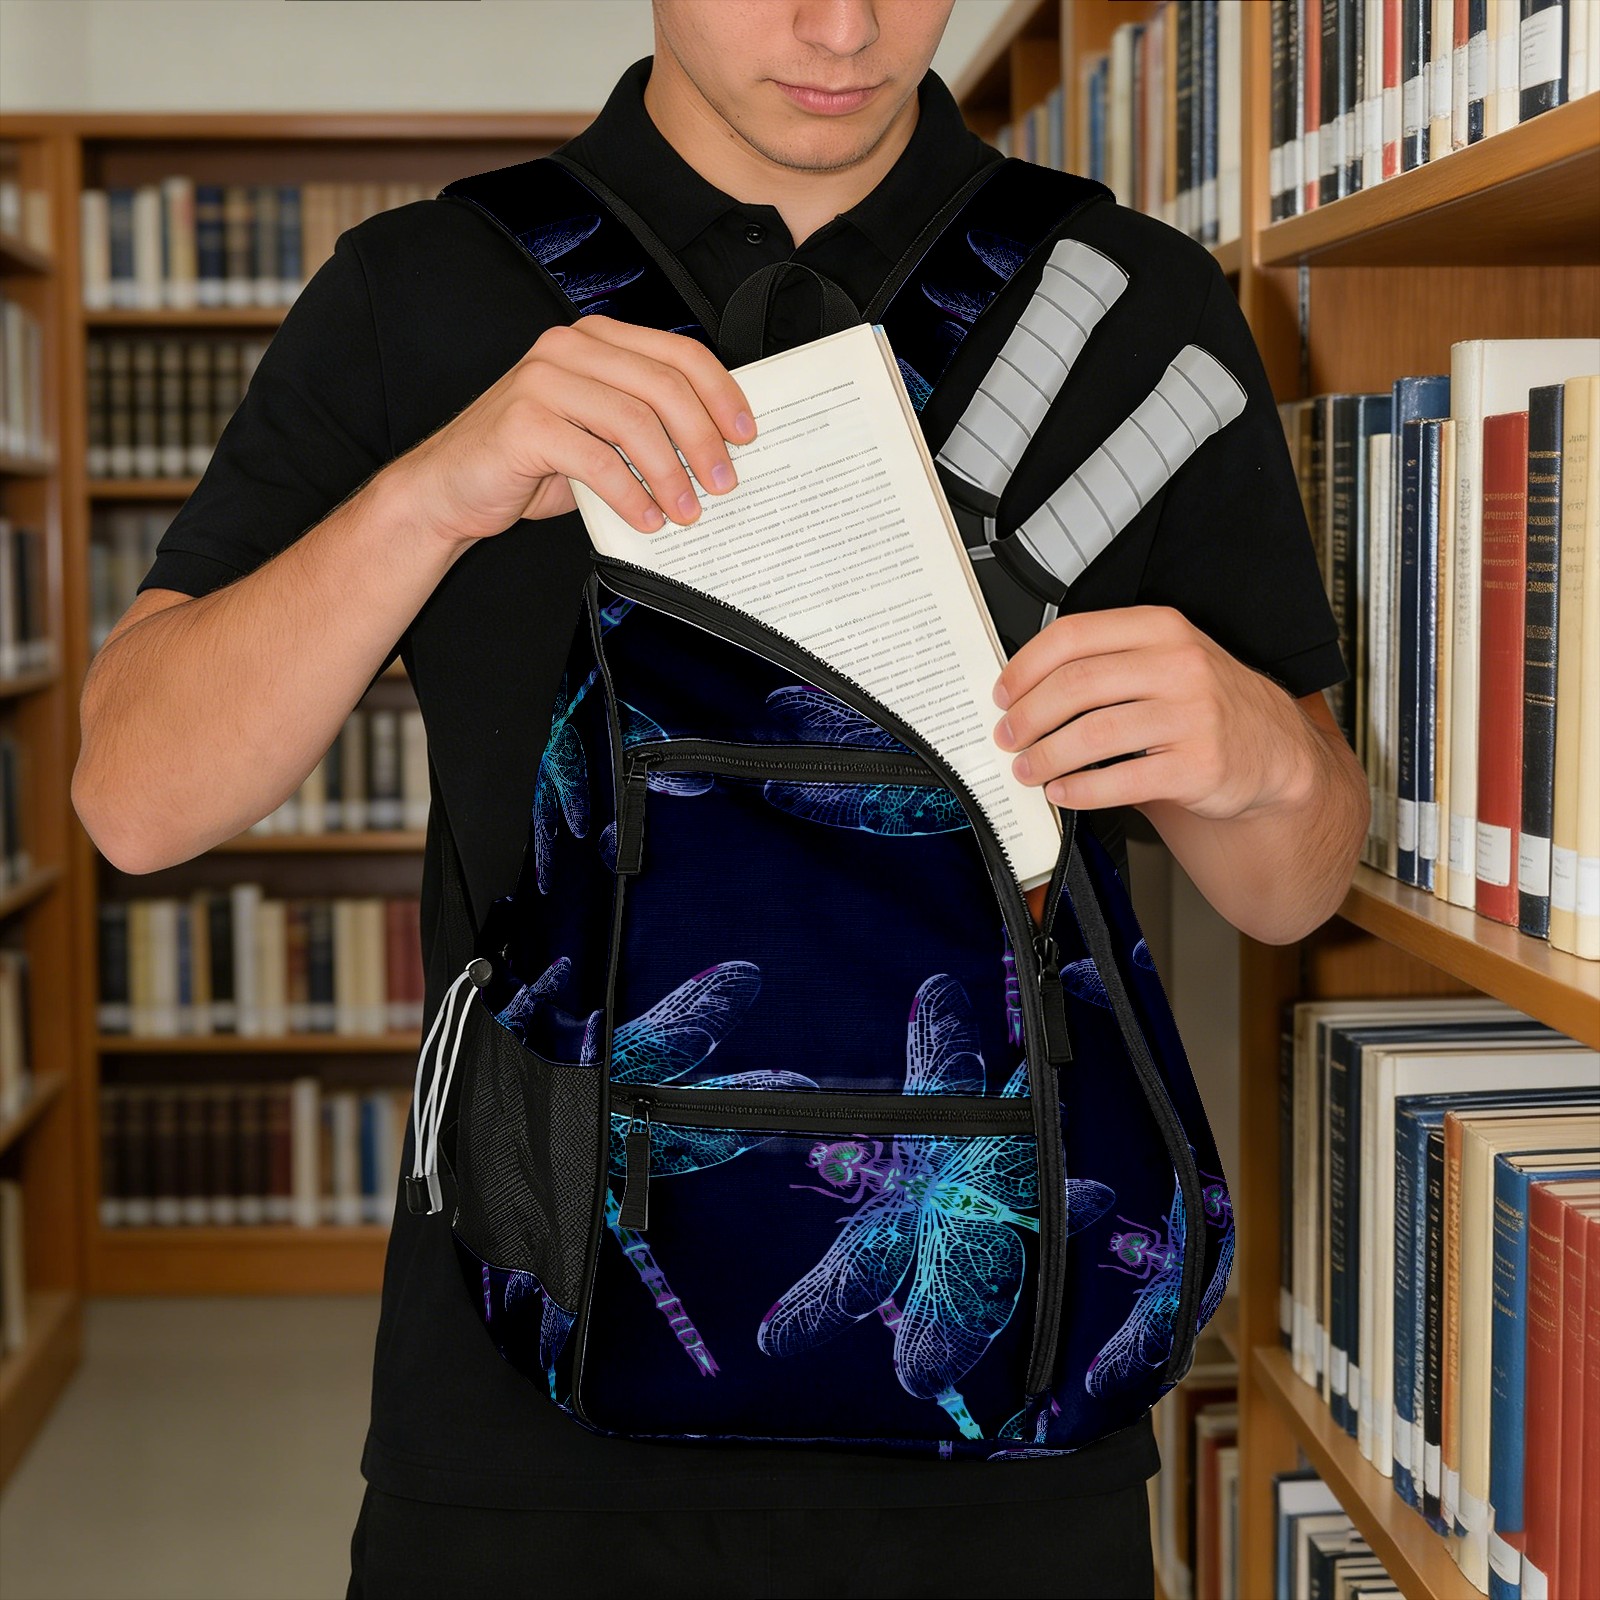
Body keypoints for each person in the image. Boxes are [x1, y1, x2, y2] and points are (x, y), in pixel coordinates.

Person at [70, 2, 1369, 1595]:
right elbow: (134, 799)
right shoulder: (423, 290)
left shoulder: (1131, 305)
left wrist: (1266, 754)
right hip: (523, 1430)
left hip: (1017, 1440)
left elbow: (1291, 891)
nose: (844, 26)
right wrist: (428, 497)